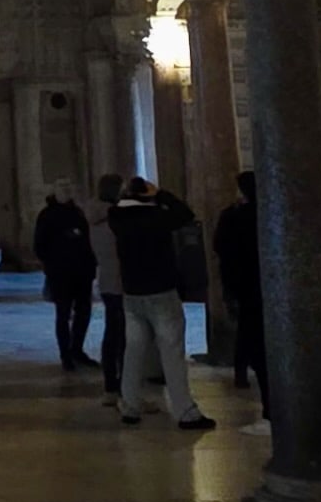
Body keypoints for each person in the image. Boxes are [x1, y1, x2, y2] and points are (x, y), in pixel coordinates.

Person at [105, 177, 212, 429]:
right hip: (161, 291)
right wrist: (161, 194)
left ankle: (130, 406)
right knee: (172, 351)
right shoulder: (157, 217)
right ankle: (185, 411)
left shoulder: (116, 217)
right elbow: (185, 214)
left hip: (132, 294)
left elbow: (120, 204)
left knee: (134, 350)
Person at [214, 172, 266, 411]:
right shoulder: (262, 213)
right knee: (252, 326)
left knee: (247, 325)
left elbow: (219, 246)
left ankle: (242, 370)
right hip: (259, 278)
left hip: (240, 279)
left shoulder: (232, 215)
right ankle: (250, 368)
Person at [33, 188, 97, 370]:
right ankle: (66, 354)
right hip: (61, 272)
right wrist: (52, 263)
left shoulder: (76, 212)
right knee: (63, 313)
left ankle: (76, 349)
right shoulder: (47, 215)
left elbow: (87, 240)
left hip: (80, 271)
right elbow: (40, 245)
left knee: (82, 312)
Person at [87, 173, 130, 399]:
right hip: (120, 280)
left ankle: (111, 383)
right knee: (121, 334)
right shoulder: (114, 217)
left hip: (107, 279)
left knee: (112, 332)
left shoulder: (95, 216)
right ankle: (122, 383)